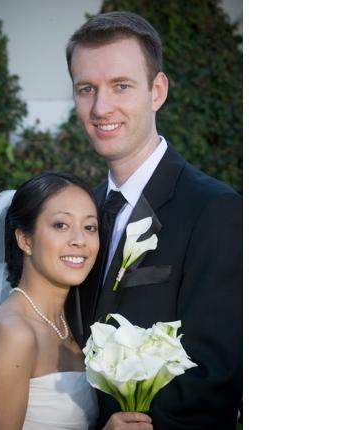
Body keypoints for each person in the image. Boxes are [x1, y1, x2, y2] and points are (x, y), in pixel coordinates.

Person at [66, 11, 243, 430]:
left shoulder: (215, 210)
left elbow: (215, 373)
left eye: (121, 86)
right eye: (86, 89)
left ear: (157, 91)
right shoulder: (82, 212)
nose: (100, 107)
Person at [0, 172, 153, 430]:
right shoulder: (12, 332)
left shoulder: (74, 321)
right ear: (25, 240)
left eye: (90, 227)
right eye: (61, 225)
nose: (79, 241)